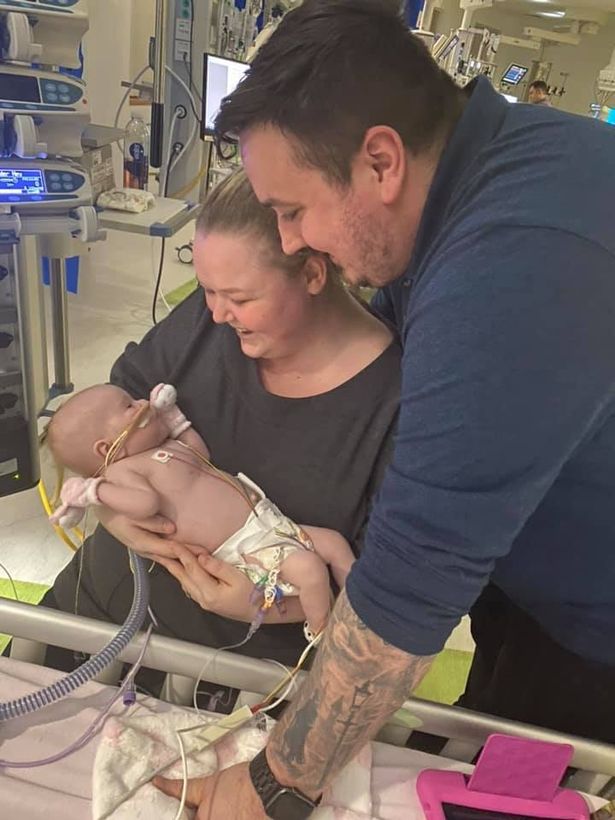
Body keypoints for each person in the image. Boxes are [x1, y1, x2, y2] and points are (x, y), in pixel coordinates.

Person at [152, 0, 615, 816]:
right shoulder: (493, 164)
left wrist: (272, 786)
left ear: (379, 162)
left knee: (517, 785)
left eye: (292, 211)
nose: (289, 241)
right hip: (526, 584)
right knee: (481, 730)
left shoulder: (513, 263)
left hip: (594, 631)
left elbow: (414, 576)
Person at [40, 167, 400, 674]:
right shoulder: (211, 319)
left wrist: (267, 605)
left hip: (240, 673)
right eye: (206, 290)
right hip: (94, 613)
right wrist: (118, 517)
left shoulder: (396, 405)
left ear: (313, 275)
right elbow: (105, 421)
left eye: (240, 299)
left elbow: (384, 592)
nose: (216, 313)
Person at [46, 381, 354, 634]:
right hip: (245, 548)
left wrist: (175, 419)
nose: (142, 403)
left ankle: (359, 611)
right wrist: (96, 491)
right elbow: (144, 504)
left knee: (334, 543)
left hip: (270, 523)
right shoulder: (122, 472)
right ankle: (326, 632)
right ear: (106, 448)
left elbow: (199, 455)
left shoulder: (164, 447)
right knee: (310, 570)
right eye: (129, 406)